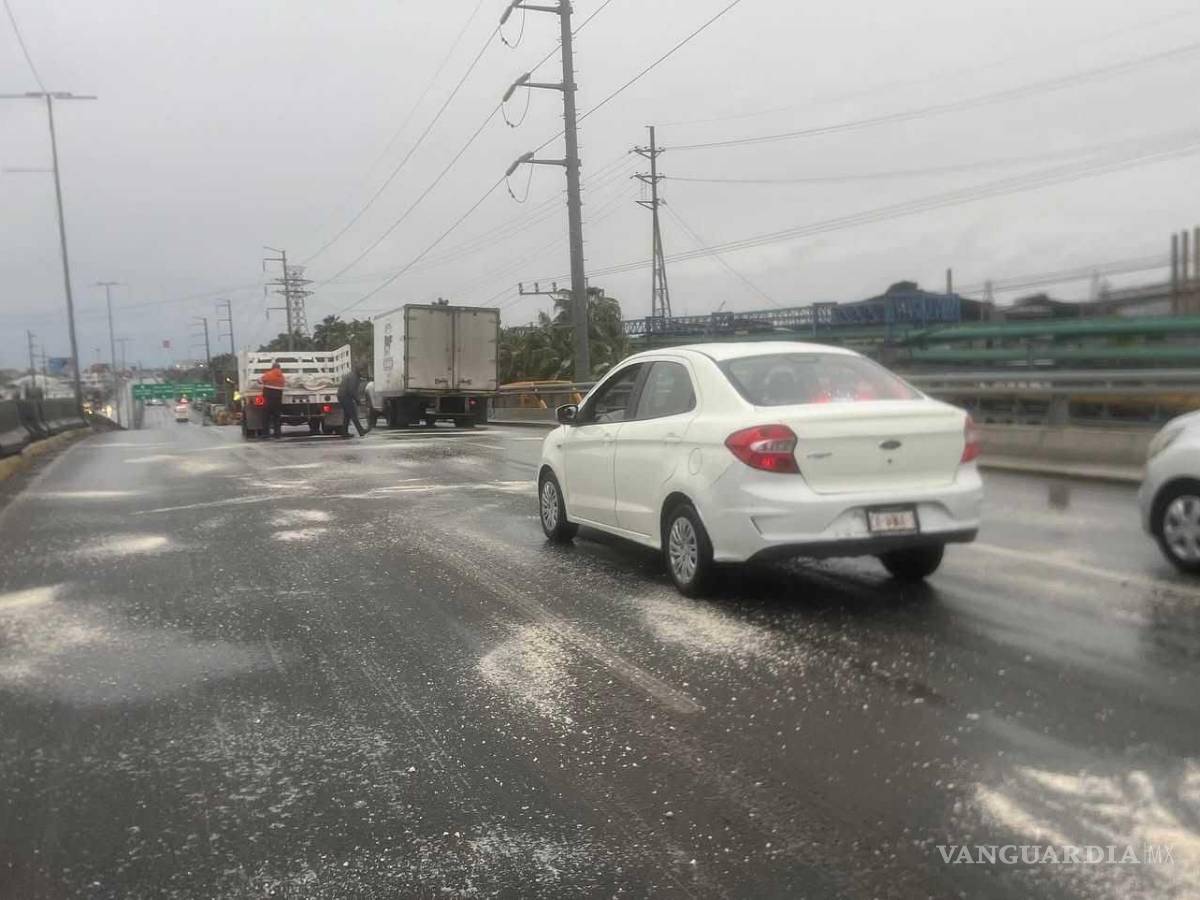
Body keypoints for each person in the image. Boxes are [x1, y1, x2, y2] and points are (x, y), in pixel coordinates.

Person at [337, 367, 368, 438]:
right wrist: (358, 401)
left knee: (347, 415)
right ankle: (361, 431)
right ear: (359, 371)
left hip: (342, 396)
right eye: (363, 372)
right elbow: (352, 391)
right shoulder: (354, 378)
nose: (364, 374)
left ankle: (344, 432)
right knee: (353, 414)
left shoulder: (352, 375)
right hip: (345, 396)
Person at [260, 362, 286, 439]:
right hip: (278, 399)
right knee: (277, 417)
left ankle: (265, 434)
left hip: (268, 398)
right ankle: (277, 434)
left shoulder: (268, 375)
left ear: (272, 367)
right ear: (279, 368)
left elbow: (260, 381)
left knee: (265, 417)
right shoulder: (282, 377)